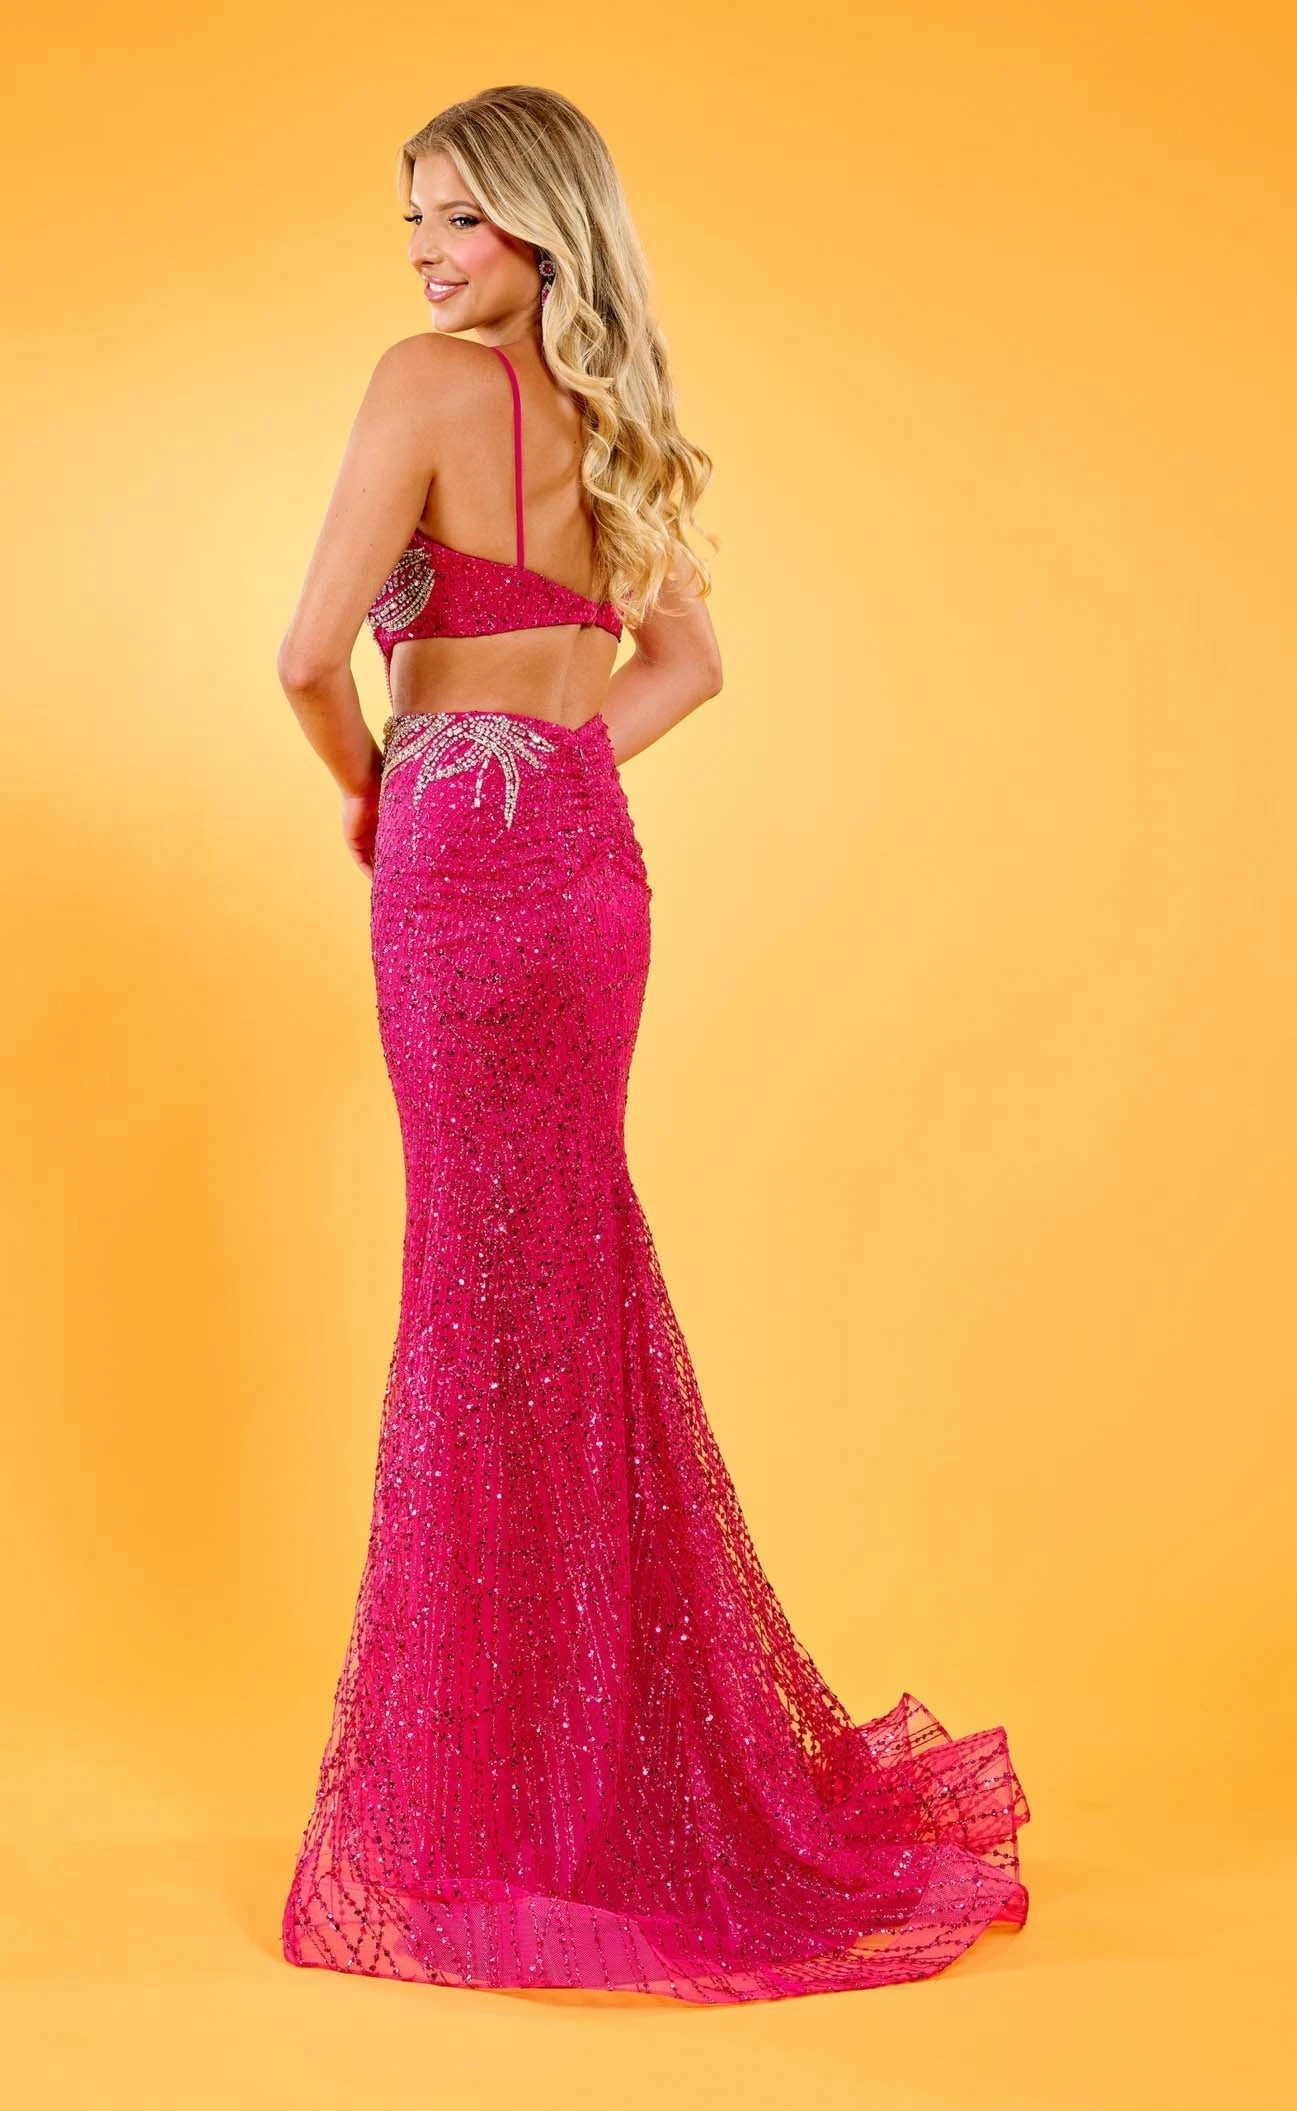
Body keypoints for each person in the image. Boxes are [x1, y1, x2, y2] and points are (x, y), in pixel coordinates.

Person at [276, 84, 1030, 2006]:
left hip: (459, 873)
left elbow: (299, 656)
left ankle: (494, 1803)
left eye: (457, 218)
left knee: (477, 1294)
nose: (426, 254)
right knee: (568, 1279)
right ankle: (596, 1776)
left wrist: (391, 785)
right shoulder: (617, 415)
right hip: (587, 878)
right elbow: (686, 663)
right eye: (412, 222)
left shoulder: (418, 387)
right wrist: (549, 763)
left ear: (542, 225)